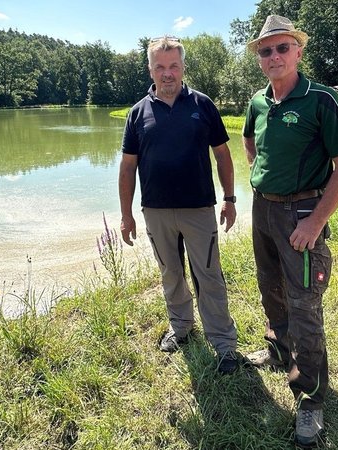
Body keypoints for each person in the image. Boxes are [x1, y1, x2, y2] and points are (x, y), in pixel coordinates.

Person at [241, 15, 338, 447]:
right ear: (259, 58)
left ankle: (310, 398)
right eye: (266, 50)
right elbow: (249, 141)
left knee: (304, 304)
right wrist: (258, 172)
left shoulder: (321, 100)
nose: (274, 56)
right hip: (263, 210)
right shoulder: (257, 102)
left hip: (302, 212)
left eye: (282, 47)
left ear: (298, 51)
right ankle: (276, 348)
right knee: (269, 286)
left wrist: (315, 220)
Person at [119, 36, 239, 375]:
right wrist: (126, 215)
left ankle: (224, 344)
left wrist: (229, 199)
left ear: (183, 67)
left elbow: (223, 155)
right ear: (150, 69)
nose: (167, 73)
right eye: (160, 66)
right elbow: (128, 167)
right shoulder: (137, 113)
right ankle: (181, 327)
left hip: (199, 208)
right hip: (156, 211)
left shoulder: (203, 105)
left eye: (173, 66)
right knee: (170, 273)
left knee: (209, 275)